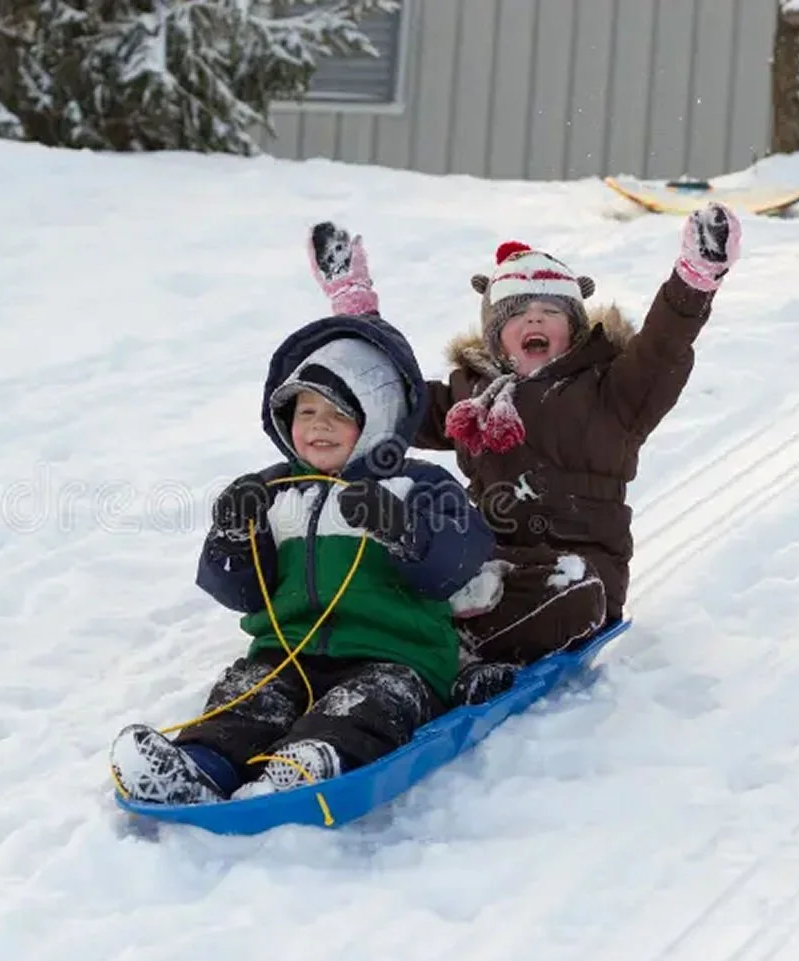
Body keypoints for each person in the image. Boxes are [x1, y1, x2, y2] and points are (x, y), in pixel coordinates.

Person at [306, 204, 742, 703]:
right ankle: (387, 628)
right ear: (495, 335)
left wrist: (695, 278)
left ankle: (453, 649)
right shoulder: (471, 395)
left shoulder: (615, 390)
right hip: (478, 564)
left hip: (572, 568)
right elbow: (391, 396)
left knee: (578, 597)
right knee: (404, 534)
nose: (534, 316)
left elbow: (664, 346)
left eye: (551, 309)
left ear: (574, 328)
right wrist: (354, 305)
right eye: (516, 310)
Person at [109, 311, 494, 804]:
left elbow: (459, 558)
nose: (319, 427)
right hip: (286, 652)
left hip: (397, 657)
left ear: (378, 418)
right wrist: (232, 536)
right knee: (249, 696)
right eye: (307, 413)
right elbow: (243, 592)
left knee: (366, 707)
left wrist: (400, 529)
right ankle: (199, 767)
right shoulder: (272, 491)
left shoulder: (414, 486)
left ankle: (306, 766)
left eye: (339, 415)